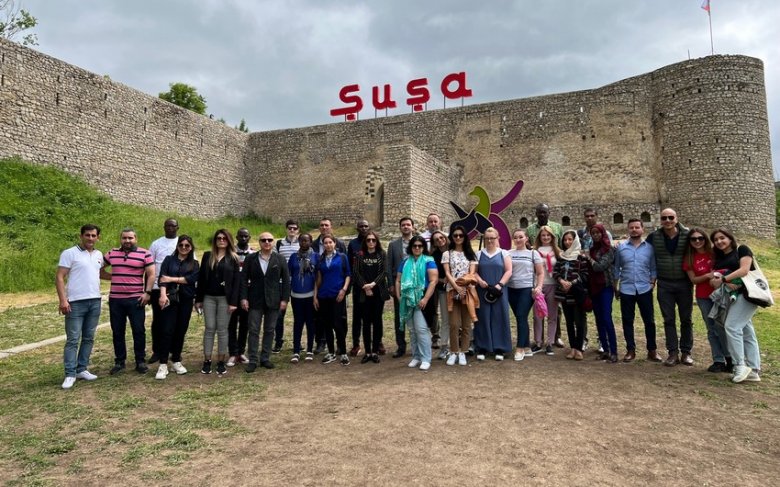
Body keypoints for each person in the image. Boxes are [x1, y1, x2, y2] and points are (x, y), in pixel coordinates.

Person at [708, 229, 762, 383]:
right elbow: (714, 279)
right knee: (747, 331)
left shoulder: (742, 250)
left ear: (730, 238)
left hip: (747, 294)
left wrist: (724, 280)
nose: (719, 241)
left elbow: (744, 270)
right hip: (730, 298)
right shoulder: (719, 258)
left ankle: (739, 365)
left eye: (722, 238)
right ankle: (754, 370)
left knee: (732, 327)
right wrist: (718, 281)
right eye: (716, 240)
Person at [101, 228, 155, 375]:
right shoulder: (112, 253)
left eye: (130, 238)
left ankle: (140, 361)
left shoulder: (145, 253)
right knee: (117, 331)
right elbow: (99, 269)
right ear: (120, 239)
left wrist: (148, 293)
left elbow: (151, 275)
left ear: (135, 239)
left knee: (138, 331)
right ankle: (119, 361)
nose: (127, 241)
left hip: (136, 299)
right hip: (116, 300)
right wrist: (114, 277)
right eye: (124, 238)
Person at [56, 224, 103, 389]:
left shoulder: (98, 254)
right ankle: (70, 373)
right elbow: (60, 277)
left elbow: (99, 273)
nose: (90, 238)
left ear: (98, 238)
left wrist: (121, 277)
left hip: (95, 301)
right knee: (73, 339)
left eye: (93, 235)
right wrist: (63, 300)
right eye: (87, 235)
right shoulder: (70, 253)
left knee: (88, 338)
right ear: (81, 236)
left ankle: (81, 369)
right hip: (75, 302)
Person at [645, 208, 693, 367]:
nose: (667, 220)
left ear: (676, 218)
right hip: (664, 284)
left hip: (684, 283)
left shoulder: (688, 235)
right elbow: (644, 253)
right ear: (660, 220)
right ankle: (673, 353)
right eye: (664, 218)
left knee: (686, 319)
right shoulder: (654, 237)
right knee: (668, 319)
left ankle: (686, 352)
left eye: (670, 217)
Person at [683, 228, 732, 373]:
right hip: (704, 297)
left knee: (723, 327)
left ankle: (730, 358)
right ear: (690, 242)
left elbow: (728, 268)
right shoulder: (689, 258)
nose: (697, 241)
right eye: (693, 239)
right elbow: (693, 279)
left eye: (700, 238)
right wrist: (707, 275)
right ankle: (718, 360)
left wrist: (716, 274)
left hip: (721, 294)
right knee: (711, 329)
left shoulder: (716, 252)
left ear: (705, 238)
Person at [241, 232, 291, 372]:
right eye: (264, 240)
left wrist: (285, 299)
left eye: (269, 240)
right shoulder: (250, 259)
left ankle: (265, 358)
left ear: (273, 242)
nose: (267, 242)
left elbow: (286, 280)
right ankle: (253, 360)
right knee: (253, 330)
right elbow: (243, 279)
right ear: (259, 242)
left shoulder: (280, 259)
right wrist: (243, 298)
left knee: (269, 330)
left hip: (274, 300)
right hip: (255, 300)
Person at [613, 219, 660, 363]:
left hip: (644, 289)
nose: (634, 230)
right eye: (631, 227)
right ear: (628, 230)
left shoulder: (650, 248)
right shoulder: (621, 248)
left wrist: (652, 282)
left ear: (642, 229)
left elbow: (653, 267)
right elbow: (616, 268)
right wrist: (616, 287)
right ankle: (630, 350)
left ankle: (652, 350)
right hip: (626, 289)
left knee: (649, 321)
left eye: (637, 227)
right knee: (627, 320)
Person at [195, 229, 240, 376]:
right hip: (209, 297)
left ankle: (221, 361)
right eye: (219, 238)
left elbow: (236, 282)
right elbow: (201, 279)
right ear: (215, 240)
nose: (221, 240)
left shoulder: (233, 258)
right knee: (209, 328)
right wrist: (198, 299)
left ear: (229, 241)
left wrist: (233, 302)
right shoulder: (208, 256)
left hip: (225, 299)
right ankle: (207, 360)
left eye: (224, 238)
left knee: (222, 330)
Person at [155, 235, 199, 379]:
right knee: (166, 330)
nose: (184, 248)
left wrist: (172, 279)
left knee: (181, 330)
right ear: (177, 246)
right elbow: (162, 278)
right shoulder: (169, 260)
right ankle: (163, 364)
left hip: (186, 300)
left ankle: (176, 360)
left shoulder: (194, 263)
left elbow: (191, 279)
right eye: (181, 245)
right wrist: (162, 295)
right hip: (169, 299)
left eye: (187, 245)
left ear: (191, 247)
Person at [395, 235, 438, 370]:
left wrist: (425, 299)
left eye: (420, 246)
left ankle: (426, 358)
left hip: (422, 298)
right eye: (415, 246)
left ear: (424, 247)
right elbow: (398, 280)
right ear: (411, 247)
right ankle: (416, 356)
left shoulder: (429, 261)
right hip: (407, 299)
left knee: (421, 329)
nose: (417, 248)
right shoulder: (405, 262)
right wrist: (399, 296)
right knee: (412, 330)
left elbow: (433, 281)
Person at [473, 227, 513, 361]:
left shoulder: (504, 253)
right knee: (483, 317)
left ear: (497, 238)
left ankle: (500, 348)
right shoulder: (479, 254)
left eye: (492, 238)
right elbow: (474, 271)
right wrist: (480, 281)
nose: (489, 240)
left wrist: (499, 285)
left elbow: (509, 271)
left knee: (499, 316)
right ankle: (483, 347)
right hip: (483, 290)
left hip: (499, 290)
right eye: (487, 238)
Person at [442, 226, 478, 366]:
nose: (458, 238)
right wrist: (456, 287)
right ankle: (454, 351)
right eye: (455, 235)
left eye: (460, 235)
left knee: (466, 324)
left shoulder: (470, 254)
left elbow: (471, 273)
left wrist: (463, 287)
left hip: (467, 291)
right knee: (454, 324)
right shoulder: (447, 254)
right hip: (452, 290)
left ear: (465, 237)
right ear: (451, 237)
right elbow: (447, 272)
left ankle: (463, 351)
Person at [314, 235, 352, 366]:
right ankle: (331, 352)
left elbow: (348, 275)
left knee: (338, 324)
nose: (328, 245)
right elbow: (318, 279)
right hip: (324, 295)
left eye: (330, 242)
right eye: (325, 243)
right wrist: (315, 296)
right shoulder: (320, 259)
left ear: (335, 243)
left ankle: (343, 352)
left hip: (337, 295)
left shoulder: (342, 257)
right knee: (327, 325)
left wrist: (344, 290)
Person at [353, 230, 390, 363]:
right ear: (365, 241)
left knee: (377, 321)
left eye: (373, 240)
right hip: (364, 292)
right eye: (368, 240)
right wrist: (365, 286)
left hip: (378, 292)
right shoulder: (360, 255)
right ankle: (367, 351)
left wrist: (373, 284)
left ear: (377, 241)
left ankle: (375, 351)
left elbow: (384, 272)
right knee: (366, 322)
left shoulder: (381, 254)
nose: (371, 242)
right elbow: (356, 272)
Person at [507, 229, 544, 361]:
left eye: (521, 237)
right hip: (511, 289)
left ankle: (520, 348)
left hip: (526, 289)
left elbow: (540, 272)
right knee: (520, 317)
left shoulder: (533, 253)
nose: (518, 239)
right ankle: (527, 346)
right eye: (515, 237)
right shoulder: (508, 253)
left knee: (521, 316)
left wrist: (539, 286)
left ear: (526, 238)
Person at [553, 230, 589, 360]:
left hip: (577, 295)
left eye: (570, 239)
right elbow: (556, 272)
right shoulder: (561, 257)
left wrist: (572, 283)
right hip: (564, 294)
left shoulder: (581, 257)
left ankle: (579, 348)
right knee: (569, 322)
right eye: (565, 240)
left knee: (579, 322)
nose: (567, 242)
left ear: (575, 241)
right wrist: (561, 281)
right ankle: (572, 347)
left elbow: (585, 274)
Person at [148, 218, 179, 365]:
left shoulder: (182, 243)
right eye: (167, 225)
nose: (170, 228)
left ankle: (173, 350)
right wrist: (148, 290)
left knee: (174, 321)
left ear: (177, 227)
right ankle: (157, 351)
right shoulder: (156, 244)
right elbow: (149, 267)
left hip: (176, 289)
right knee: (158, 320)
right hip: (157, 287)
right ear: (164, 227)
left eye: (173, 226)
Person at [585, 224, 618, 363]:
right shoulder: (593, 249)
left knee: (606, 318)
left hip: (605, 287)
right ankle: (605, 349)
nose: (596, 235)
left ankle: (614, 351)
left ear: (603, 233)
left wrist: (589, 258)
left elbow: (599, 267)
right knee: (598, 319)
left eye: (598, 232)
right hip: (594, 287)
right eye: (593, 233)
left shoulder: (609, 249)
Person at [387, 217, 416, 358]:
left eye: (408, 224)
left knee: (416, 315)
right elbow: (388, 266)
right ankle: (401, 346)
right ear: (400, 227)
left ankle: (416, 346)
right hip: (399, 284)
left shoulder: (418, 243)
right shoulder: (393, 245)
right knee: (400, 316)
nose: (406, 227)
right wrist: (391, 285)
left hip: (415, 285)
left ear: (412, 227)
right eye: (403, 225)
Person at [288, 233, 319, 363]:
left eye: (306, 240)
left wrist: (316, 295)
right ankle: (296, 351)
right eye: (301, 240)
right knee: (298, 323)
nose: (304, 243)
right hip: (296, 295)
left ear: (311, 242)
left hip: (311, 295)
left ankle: (310, 350)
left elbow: (318, 276)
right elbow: (289, 274)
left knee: (310, 323)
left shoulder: (316, 256)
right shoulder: (293, 257)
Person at [227, 227, 254, 367]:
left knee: (245, 324)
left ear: (249, 237)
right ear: (236, 237)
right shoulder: (230, 253)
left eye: (246, 236)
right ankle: (233, 352)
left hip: (247, 293)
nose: (243, 238)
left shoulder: (253, 253)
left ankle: (241, 352)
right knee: (231, 324)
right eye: (241, 236)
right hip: (233, 293)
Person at [272, 220, 300, 354]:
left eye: (294, 228)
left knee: (298, 315)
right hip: (282, 283)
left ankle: (297, 342)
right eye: (290, 228)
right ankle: (278, 341)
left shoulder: (302, 243)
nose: (292, 230)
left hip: (297, 284)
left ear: (298, 230)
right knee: (279, 315)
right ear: (286, 229)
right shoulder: (279, 244)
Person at [532, 226, 561, 356]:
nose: (546, 237)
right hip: (539, 285)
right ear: (539, 237)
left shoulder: (557, 251)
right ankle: (538, 342)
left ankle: (550, 343)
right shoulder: (534, 252)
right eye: (543, 235)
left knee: (552, 315)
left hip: (552, 285)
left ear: (552, 237)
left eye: (548, 235)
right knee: (538, 315)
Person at [347, 218, 370, 357]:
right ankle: (356, 344)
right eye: (361, 226)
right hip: (358, 286)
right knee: (357, 316)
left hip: (372, 285)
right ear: (357, 228)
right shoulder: (353, 244)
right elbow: (350, 265)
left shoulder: (373, 241)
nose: (364, 228)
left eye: (366, 226)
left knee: (374, 316)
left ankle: (377, 342)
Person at [429, 230, 449, 358]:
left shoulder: (454, 251)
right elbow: (432, 275)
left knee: (461, 318)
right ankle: (444, 346)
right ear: (434, 243)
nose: (440, 240)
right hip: (443, 289)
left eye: (441, 237)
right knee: (445, 319)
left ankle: (467, 343)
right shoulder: (433, 256)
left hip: (459, 288)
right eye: (436, 239)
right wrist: (442, 280)